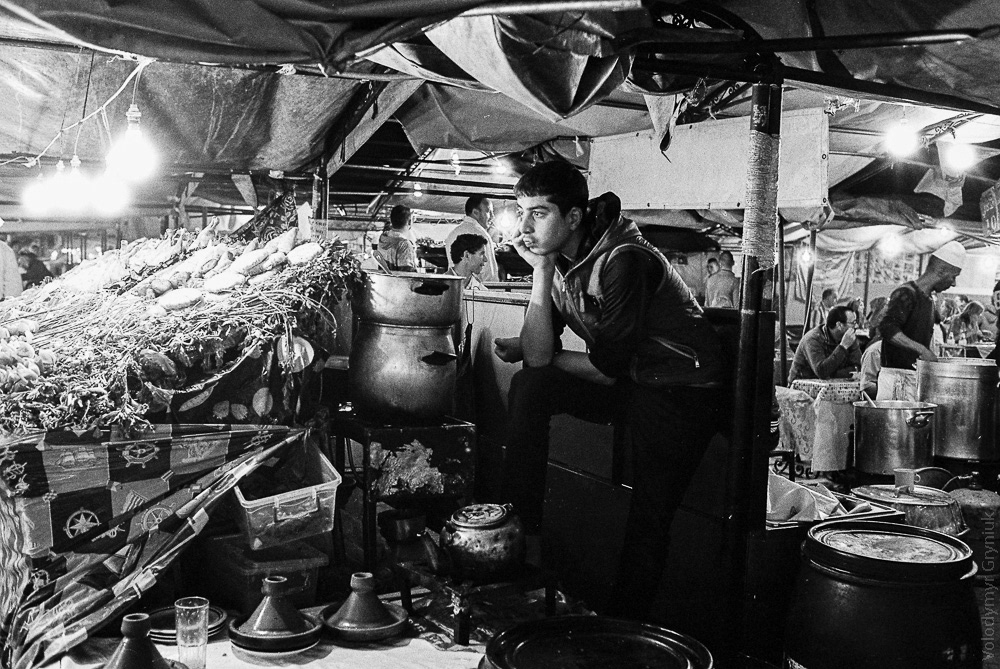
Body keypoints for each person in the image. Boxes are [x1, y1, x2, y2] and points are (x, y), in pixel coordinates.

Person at [492, 161, 728, 621]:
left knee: (649, 516)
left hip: (684, 391)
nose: (524, 227)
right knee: (530, 385)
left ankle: (623, 631)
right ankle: (520, 531)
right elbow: (540, 359)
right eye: (520, 213)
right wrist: (540, 274)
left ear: (574, 217)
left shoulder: (623, 259)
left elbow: (601, 367)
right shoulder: (562, 261)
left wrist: (538, 350)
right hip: (634, 382)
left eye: (538, 214)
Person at [877, 240, 965, 400]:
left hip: (913, 378)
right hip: (897, 380)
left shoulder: (928, 299)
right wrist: (922, 350)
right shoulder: (906, 293)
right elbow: (887, 328)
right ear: (941, 271)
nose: (953, 283)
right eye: (953, 276)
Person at [787, 306, 862, 382]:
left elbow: (858, 367)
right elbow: (822, 372)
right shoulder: (813, 339)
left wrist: (832, 374)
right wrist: (843, 346)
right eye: (853, 323)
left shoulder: (850, 337)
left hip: (835, 385)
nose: (856, 326)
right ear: (839, 325)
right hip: (802, 388)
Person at [445, 195, 501, 283]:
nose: (492, 216)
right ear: (475, 212)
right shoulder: (481, 234)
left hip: (455, 287)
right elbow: (488, 273)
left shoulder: (452, 234)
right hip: (478, 291)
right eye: (489, 212)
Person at [376, 205, 417, 272]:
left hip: (385, 281)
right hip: (397, 282)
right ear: (409, 222)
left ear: (391, 220)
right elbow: (407, 275)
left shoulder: (383, 237)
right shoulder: (404, 245)